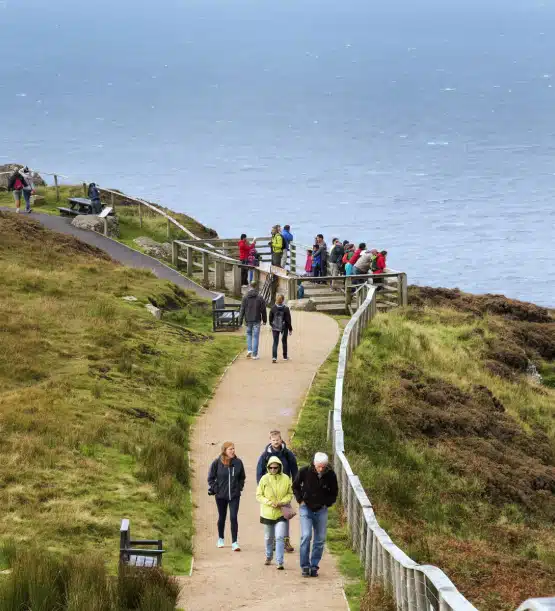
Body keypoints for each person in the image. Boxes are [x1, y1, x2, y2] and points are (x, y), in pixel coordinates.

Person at [293, 452, 338, 577]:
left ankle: (314, 566)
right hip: (306, 508)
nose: (321, 469)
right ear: (314, 463)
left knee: (320, 539)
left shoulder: (330, 475)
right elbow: (295, 486)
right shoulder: (304, 471)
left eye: (323, 466)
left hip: (321, 509)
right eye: (319, 466)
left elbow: (334, 492)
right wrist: (300, 500)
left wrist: (327, 503)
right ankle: (305, 566)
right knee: (306, 536)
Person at [256, 430, 299, 553]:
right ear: (270, 441)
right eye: (273, 440)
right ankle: (273, 540)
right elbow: (259, 472)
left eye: (277, 440)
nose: (276, 442)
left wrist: (295, 485)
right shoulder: (265, 455)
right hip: (270, 491)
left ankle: (285, 540)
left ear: (281, 440)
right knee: (271, 515)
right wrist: (261, 487)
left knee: (285, 515)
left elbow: (294, 470)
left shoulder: (288, 454)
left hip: (284, 489)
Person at [256, 456, 294, 570]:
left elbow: (290, 494)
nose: (273, 470)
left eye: (275, 467)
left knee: (280, 537)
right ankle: (268, 556)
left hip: (281, 513)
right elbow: (259, 495)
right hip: (267, 513)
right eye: (271, 468)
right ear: (268, 467)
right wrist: (268, 502)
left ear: (279, 467)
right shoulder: (264, 479)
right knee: (268, 537)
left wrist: (282, 502)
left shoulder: (286, 478)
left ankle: (280, 561)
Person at [208, 441, 246, 551]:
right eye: (230, 449)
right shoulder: (217, 463)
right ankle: (220, 538)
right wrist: (216, 489)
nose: (233, 451)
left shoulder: (238, 462)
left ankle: (234, 542)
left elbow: (242, 477)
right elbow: (210, 478)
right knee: (222, 517)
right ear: (224, 451)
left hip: (234, 495)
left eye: (233, 448)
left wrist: (239, 487)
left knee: (233, 517)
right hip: (221, 496)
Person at [238, 281, 267, 359]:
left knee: (249, 334)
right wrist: (264, 320)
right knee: (255, 336)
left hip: (248, 320)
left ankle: (249, 350)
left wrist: (240, 321)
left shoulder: (245, 297)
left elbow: (242, 309)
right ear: (256, 286)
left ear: (249, 286)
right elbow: (263, 310)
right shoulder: (260, 297)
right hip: (257, 319)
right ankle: (255, 355)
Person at [269, 294, 292, 363]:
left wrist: (272, 325)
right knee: (284, 341)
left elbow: (270, 318)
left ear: (276, 299)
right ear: (283, 300)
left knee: (275, 342)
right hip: (284, 326)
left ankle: (274, 357)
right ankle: (285, 356)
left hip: (275, 327)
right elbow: (288, 320)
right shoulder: (286, 308)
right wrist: (290, 329)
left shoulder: (273, 308)